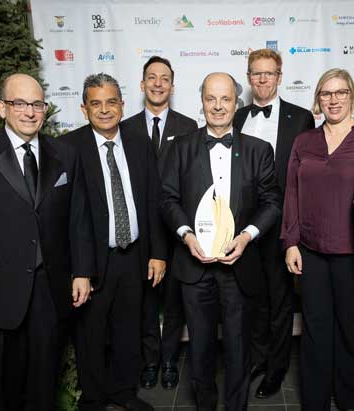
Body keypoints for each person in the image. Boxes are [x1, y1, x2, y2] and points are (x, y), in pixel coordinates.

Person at [0, 73, 94, 410]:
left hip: (49, 291)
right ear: (2, 108)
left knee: (44, 384)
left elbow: (78, 218)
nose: (30, 112)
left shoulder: (65, 154)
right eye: (20, 103)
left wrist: (82, 271)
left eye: (37, 104)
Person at [161, 72, 280, 411]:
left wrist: (246, 237)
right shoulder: (180, 148)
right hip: (193, 267)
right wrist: (186, 236)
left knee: (239, 350)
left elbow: (272, 202)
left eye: (225, 99)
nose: (218, 106)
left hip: (239, 267)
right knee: (199, 350)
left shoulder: (259, 150)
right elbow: (167, 199)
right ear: (202, 102)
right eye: (211, 98)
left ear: (236, 102)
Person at [61, 73, 166, 411]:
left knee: (127, 331)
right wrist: (79, 269)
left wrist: (158, 253)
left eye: (111, 102)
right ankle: (93, 399)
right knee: (90, 336)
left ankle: (123, 392)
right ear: (83, 108)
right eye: (96, 103)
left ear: (122, 104)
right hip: (91, 262)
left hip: (133, 257)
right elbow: (68, 216)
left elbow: (153, 201)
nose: (104, 110)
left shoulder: (138, 142)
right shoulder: (68, 148)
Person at [282, 68, 354, 410]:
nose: (333, 99)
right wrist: (290, 242)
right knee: (315, 329)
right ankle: (315, 399)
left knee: (352, 328)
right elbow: (292, 194)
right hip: (311, 251)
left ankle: (352, 399)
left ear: (351, 95)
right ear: (318, 99)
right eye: (326, 93)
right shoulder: (304, 141)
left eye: (340, 92)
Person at [232, 48, 315, 398]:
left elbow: (305, 179)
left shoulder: (301, 119)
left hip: (283, 226)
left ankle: (276, 369)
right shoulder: (235, 118)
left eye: (269, 73)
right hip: (244, 230)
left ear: (280, 77)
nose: (262, 79)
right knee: (252, 298)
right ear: (249, 78)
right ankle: (258, 358)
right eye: (256, 73)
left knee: (281, 302)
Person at [120, 56, 198, 390]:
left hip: (177, 232)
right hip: (141, 233)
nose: (157, 83)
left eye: (164, 78)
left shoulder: (188, 126)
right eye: (151, 77)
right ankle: (150, 360)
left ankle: (169, 360)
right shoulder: (125, 128)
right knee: (146, 303)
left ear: (172, 85)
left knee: (174, 301)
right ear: (141, 85)